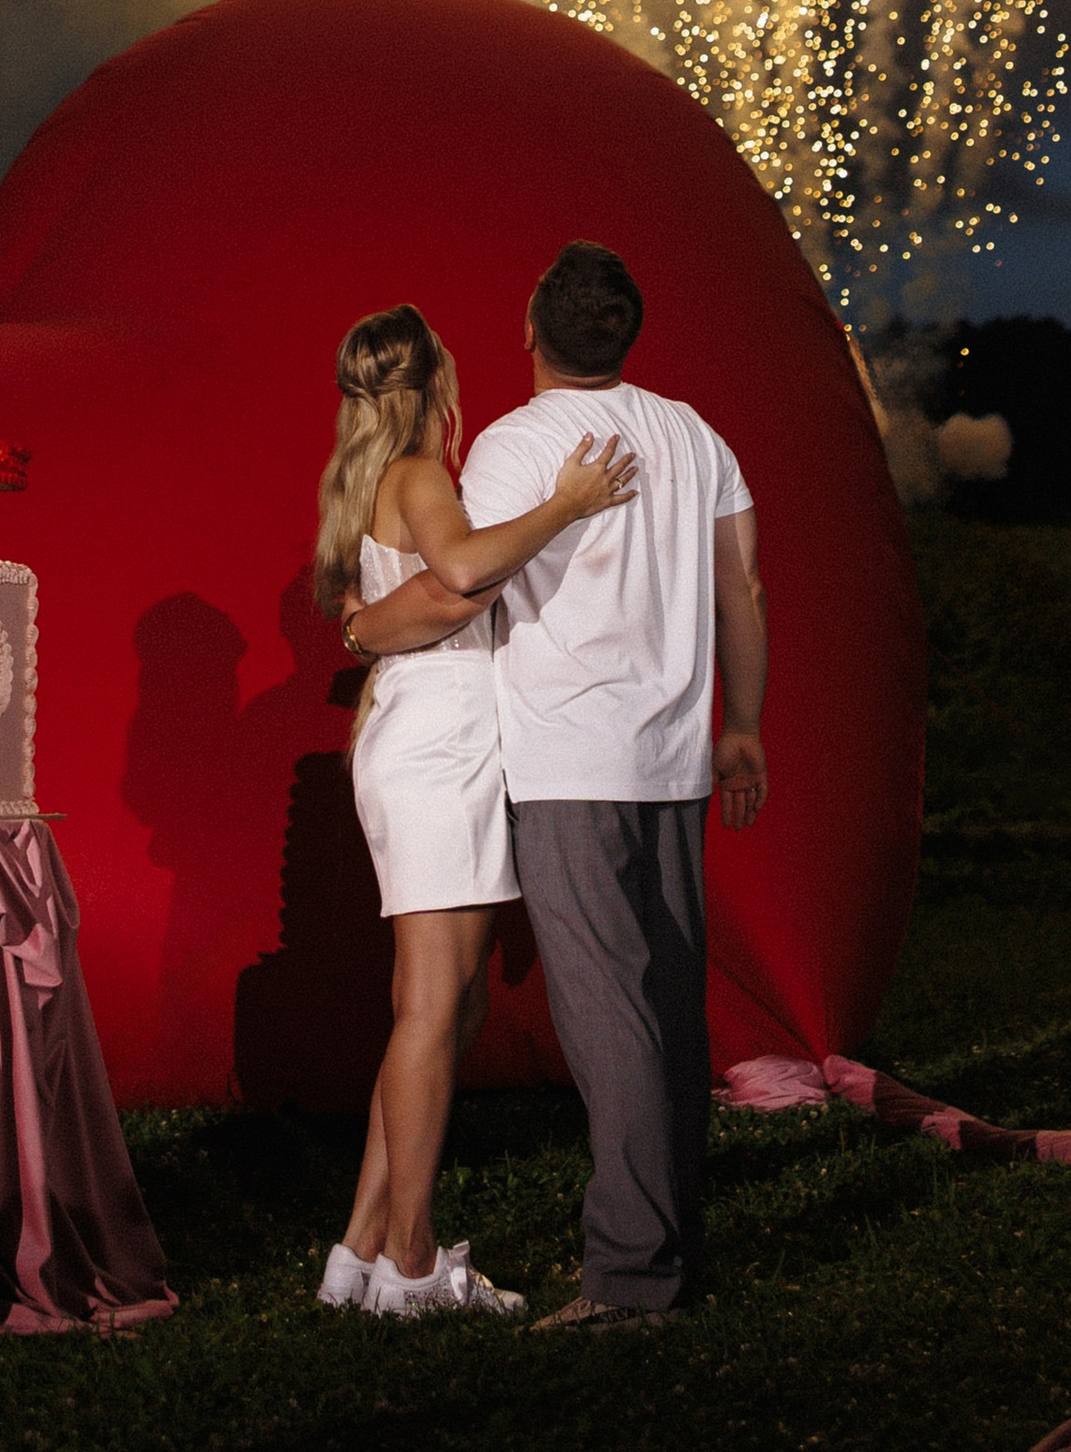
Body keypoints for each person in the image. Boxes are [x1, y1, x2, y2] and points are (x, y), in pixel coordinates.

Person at [455, 239, 767, 1329]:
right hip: (674, 756)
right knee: (668, 1011)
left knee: (609, 1017)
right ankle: (674, 1246)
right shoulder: (693, 436)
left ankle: (634, 1279)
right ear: (627, 336)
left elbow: (469, 570)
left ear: (529, 330)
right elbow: (742, 585)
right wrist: (742, 722)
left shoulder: (513, 443)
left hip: (568, 759)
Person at [310, 300, 639, 1320]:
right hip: (439, 746)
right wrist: (568, 504)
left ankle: (359, 1256)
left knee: (442, 1010)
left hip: (420, 739)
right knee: (430, 1012)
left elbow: (416, 604)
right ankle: (412, 1270)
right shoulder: (416, 476)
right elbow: (459, 577)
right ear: (437, 383)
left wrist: (369, 629)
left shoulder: (368, 480)